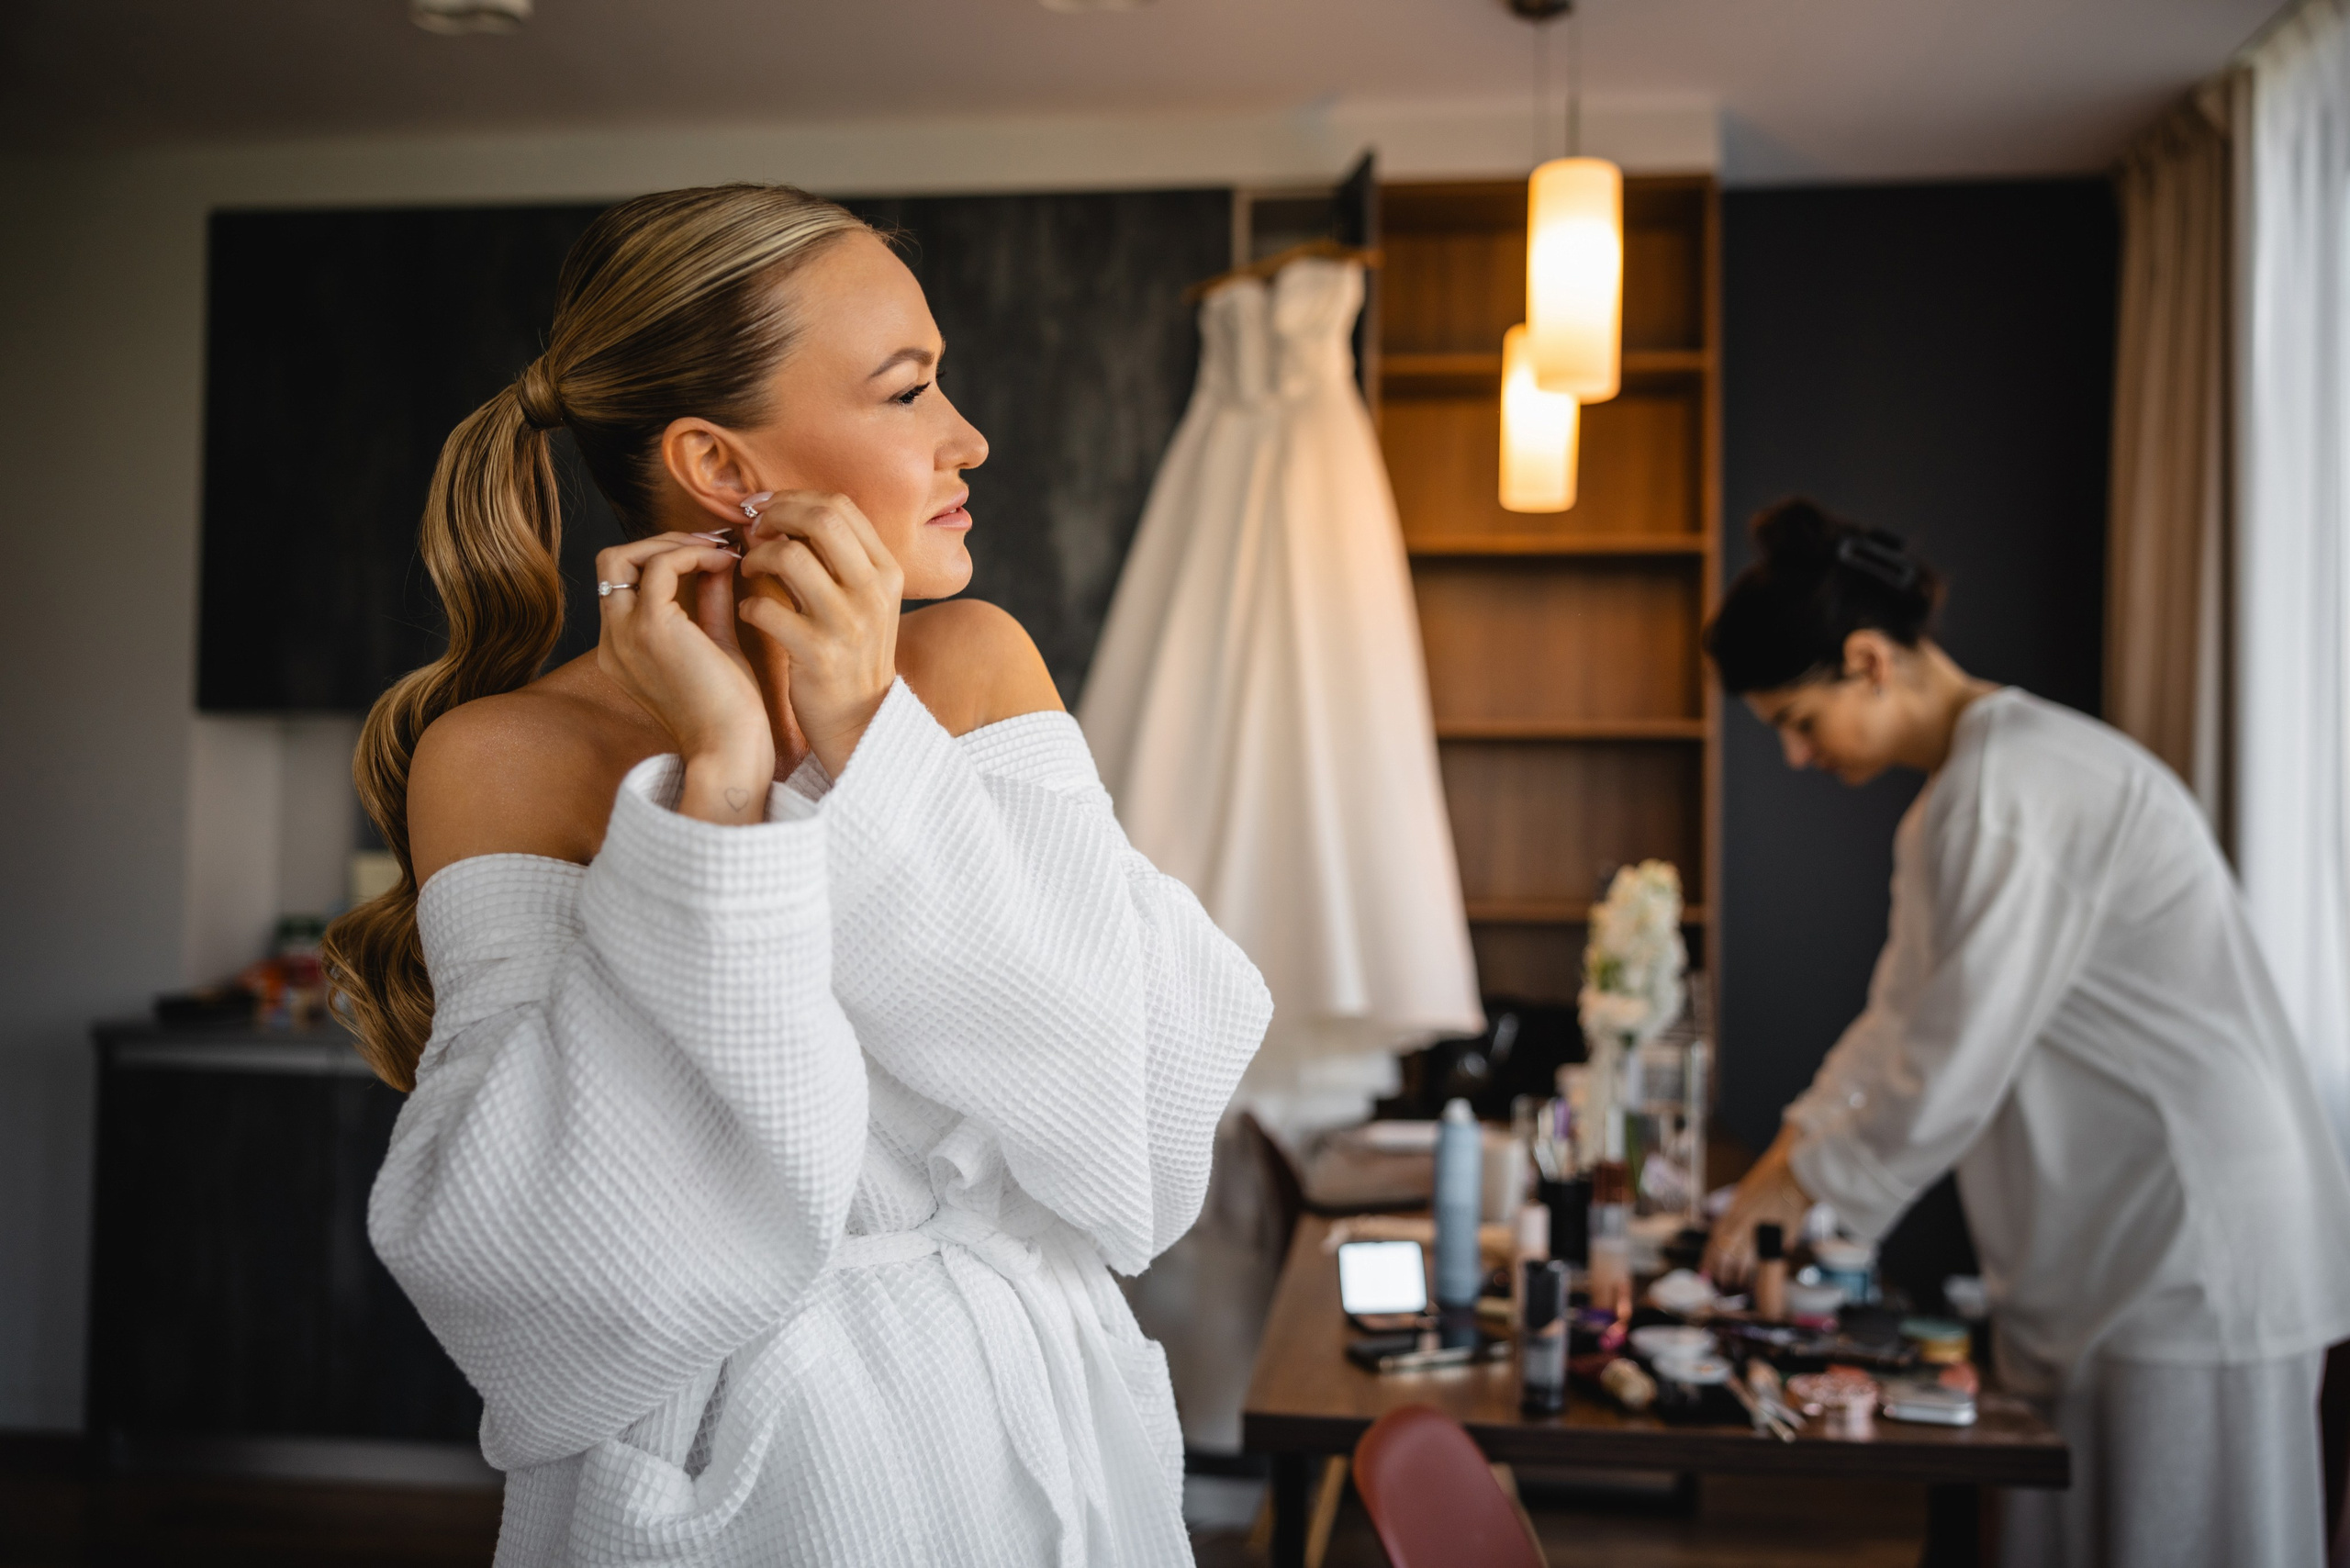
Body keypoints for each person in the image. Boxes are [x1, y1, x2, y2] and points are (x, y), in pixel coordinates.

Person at [320, 184, 1270, 1567]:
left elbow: (1137, 1137)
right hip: (738, 1486)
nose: (969, 436)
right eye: (909, 391)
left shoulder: (970, 670)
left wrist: (868, 739)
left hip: (1045, 1454)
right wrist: (716, 793)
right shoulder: (506, 760)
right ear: (721, 467)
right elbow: (533, 1282)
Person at [1699, 498, 2350, 1568]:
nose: (1794, 756)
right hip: (2123, 1243)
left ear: (1867, 661)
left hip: (2195, 1245)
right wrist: (1783, 1158)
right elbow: (1894, 1023)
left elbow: (1950, 1063)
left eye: (1797, 720)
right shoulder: (1956, 801)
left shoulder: (2015, 786)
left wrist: (1814, 1183)